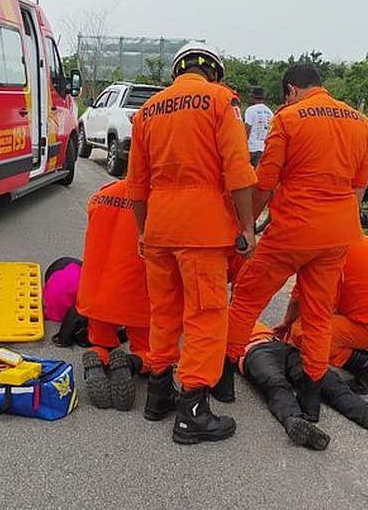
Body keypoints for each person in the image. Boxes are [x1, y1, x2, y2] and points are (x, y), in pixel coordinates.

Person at [222, 64, 368, 424]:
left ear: (290, 90)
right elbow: (359, 185)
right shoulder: (361, 122)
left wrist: (247, 227)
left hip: (293, 230)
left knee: (245, 300)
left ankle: (223, 379)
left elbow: (266, 181)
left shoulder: (289, 118)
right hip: (338, 233)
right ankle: (311, 399)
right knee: (318, 314)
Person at [126, 41, 257, 445]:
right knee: (205, 315)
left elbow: (136, 184)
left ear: (176, 72)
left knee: (164, 312)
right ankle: (193, 412)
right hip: (202, 231)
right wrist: (248, 228)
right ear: (213, 72)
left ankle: (159, 395)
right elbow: (238, 170)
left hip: (161, 228)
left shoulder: (148, 110)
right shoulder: (221, 100)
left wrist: (144, 232)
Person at [241, 324, 368, 451]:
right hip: (253, 352)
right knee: (275, 383)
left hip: (283, 347)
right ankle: (296, 423)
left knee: (328, 380)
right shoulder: (217, 323)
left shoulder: (245, 308)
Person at [272, 235, 368, 395]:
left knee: (303, 332)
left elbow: (302, 298)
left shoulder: (320, 251)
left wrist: (288, 326)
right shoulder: (347, 236)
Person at [76, 180, 151, 411]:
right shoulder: (155, 199)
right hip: (136, 296)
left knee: (100, 340)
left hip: (95, 293)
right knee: (150, 350)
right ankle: (131, 363)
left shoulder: (101, 195)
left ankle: (98, 359)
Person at [244, 86, 274, 167]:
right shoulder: (269, 112)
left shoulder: (250, 110)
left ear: (252, 97)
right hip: (264, 149)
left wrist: (243, 145)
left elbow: (248, 128)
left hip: (252, 149)